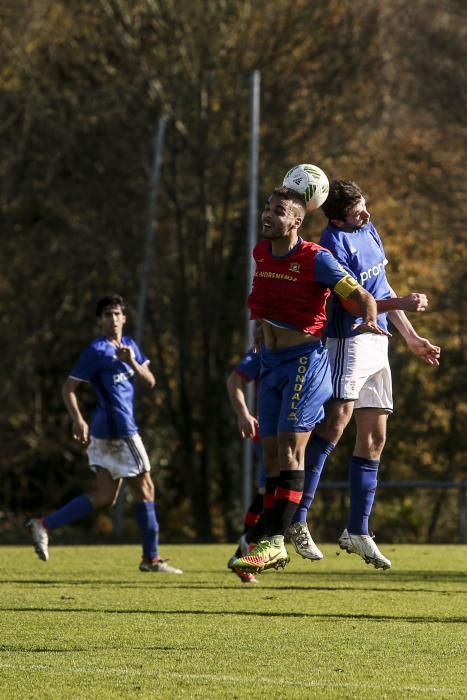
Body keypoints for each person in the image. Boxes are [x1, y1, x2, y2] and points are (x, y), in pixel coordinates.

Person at [232, 186, 389, 576]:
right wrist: (259, 331)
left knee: (290, 448)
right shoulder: (261, 252)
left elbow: (358, 293)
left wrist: (368, 313)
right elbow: (264, 299)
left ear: (297, 221)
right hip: (270, 363)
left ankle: (273, 542)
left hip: (305, 361)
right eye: (267, 208)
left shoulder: (316, 258)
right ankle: (271, 541)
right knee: (270, 456)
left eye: (279, 211)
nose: (268, 215)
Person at [289, 180, 440, 570]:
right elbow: (355, 304)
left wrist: (410, 337)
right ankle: (296, 516)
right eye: (358, 212)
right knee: (336, 425)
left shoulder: (367, 229)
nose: (367, 215)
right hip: (349, 340)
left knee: (375, 436)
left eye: (365, 207)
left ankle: (357, 530)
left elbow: (381, 285)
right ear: (338, 218)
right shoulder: (332, 244)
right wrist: (403, 301)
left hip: (380, 340)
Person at [27, 294, 182, 574]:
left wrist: (132, 361)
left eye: (116, 314)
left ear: (124, 318)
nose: (113, 319)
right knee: (146, 489)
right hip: (120, 431)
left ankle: (43, 524)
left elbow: (150, 381)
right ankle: (151, 559)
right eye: (107, 314)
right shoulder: (97, 351)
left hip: (106, 433)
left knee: (104, 497)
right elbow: (68, 388)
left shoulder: (130, 346)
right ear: (99, 321)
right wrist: (77, 420)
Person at [226, 327, 266, 584]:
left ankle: (243, 551)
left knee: (269, 497)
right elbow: (234, 381)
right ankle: (246, 549)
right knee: (273, 495)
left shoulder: (305, 347)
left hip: (293, 431)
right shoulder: (263, 354)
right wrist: (244, 414)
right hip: (269, 433)